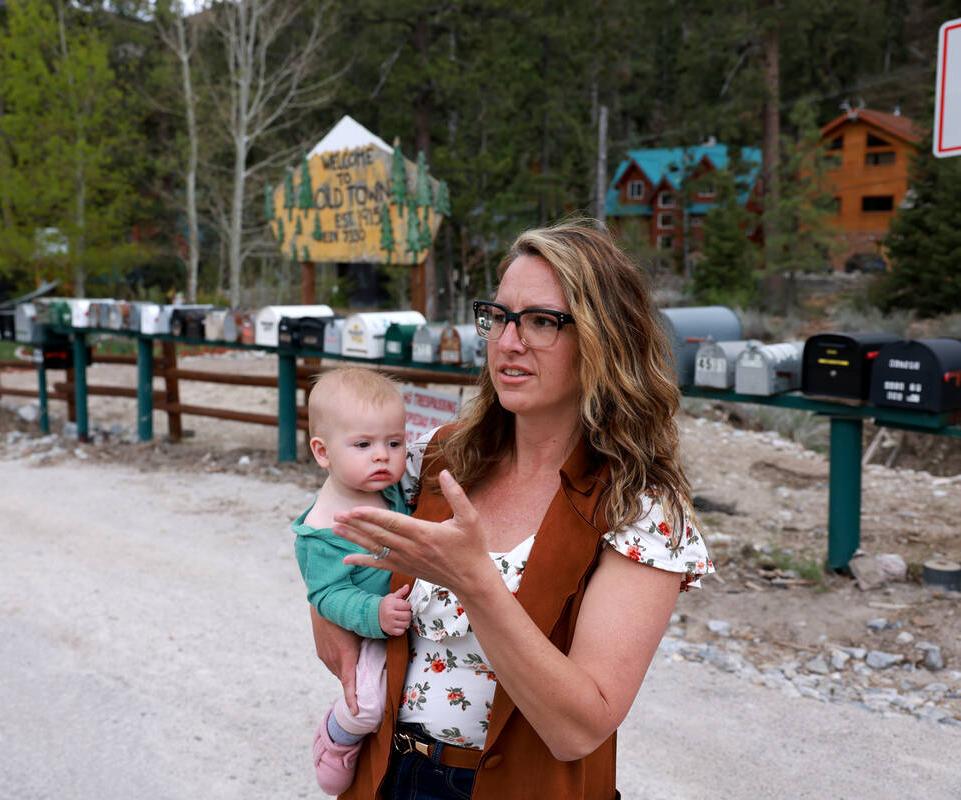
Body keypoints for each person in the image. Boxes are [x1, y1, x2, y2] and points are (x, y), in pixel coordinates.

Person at [317, 219, 715, 799]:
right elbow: (326, 523)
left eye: (541, 321)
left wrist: (476, 583)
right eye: (499, 316)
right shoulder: (437, 457)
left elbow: (578, 729)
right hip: (385, 775)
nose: (507, 342)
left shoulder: (643, 509)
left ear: (605, 338)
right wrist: (325, 600)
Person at [294, 367, 417, 794]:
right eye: (363, 445)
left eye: (394, 443)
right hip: (369, 630)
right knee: (366, 705)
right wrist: (374, 614)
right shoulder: (323, 528)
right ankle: (336, 738)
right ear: (323, 452)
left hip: (402, 612)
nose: (382, 456)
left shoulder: (392, 489)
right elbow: (326, 594)